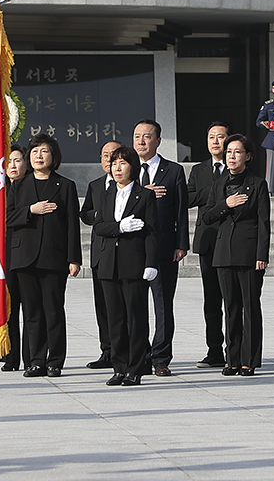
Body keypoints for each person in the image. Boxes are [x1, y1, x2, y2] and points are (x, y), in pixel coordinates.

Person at [7, 134, 82, 378]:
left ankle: (55, 361)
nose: (39, 156)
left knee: (53, 310)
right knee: (32, 313)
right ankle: (36, 360)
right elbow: (6, 218)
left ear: (54, 156)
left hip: (54, 258)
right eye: (35, 151)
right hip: (24, 257)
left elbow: (72, 224)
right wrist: (30, 210)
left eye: (44, 151)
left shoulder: (66, 186)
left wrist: (74, 258)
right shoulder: (19, 186)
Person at [202, 134, 270, 376]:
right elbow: (207, 217)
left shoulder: (258, 184)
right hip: (223, 253)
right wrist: (226, 204)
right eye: (229, 151)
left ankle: (249, 360)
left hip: (249, 253)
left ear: (248, 156)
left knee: (250, 306)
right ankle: (232, 359)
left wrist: (262, 254)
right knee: (230, 307)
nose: (231, 156)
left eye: (237, 152)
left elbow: (264, 223)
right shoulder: (219, 184)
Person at [92, 146, 159, 387]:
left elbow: (152, 232)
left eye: (122, 163)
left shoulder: (145, 195)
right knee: (115, 319)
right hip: (109, 265)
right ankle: (119, 367)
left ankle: (136, 367)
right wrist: (119, 226)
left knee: (136, 318)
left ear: (133, 166)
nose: (117, 168)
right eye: (114, 163)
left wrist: (151, 263)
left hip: (134, 264)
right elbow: (99, 226)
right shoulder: (106, 194)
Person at [134, 119, 189, 376]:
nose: (141, 141)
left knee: (163, 304)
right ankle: (139, 355)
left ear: (158, 140)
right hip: (133, 248)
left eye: (146, 136)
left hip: (165, 247)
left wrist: (181, 244)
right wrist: (141, 192)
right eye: (137, 136)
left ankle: (161, 358)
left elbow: (181, 211)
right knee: (134, 304)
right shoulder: (126, 169)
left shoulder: (174, 171)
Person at [186, 122, 230, 369]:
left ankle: (234, 350)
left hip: (231, 240)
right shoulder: (199, 169)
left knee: (232, 299)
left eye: (220, 137)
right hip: (207, 241)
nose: (215, 141)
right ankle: (214, 350)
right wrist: (212, 192)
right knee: (211, 300)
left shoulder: (237, 166)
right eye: (211, 136)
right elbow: (188, 198)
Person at [79, 140, 124, 371]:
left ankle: (125, 351)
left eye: (114, 155)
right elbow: (84, 213)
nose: (109, 160)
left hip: (124, 254)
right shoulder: (95, 185)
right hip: (100, 253)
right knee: (103, 306)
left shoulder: (130, 185)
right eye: (105, 155)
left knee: (124, 306)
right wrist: (98, 214)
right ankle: (107, 351)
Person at [1, 144, 30, 372]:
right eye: (9, 161)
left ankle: (31, 357)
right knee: (9, 310)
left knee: (29, 308)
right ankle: (10, 356)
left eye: (17, 160)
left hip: (26, 254)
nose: (13, 165)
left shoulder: (31, 188)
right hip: (3, 257)